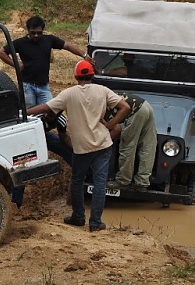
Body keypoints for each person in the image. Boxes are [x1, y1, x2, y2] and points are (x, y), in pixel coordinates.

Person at [26, 60, 130, 232]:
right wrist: (110, 125)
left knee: (77, 180)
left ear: (75, 76)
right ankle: (96, 222)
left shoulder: (69, 94)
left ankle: (78, 217)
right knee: (100, 183)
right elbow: (124, 107)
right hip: (103, 144)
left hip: (82, 147)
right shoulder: (102, 90)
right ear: (92, 75)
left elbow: (45, 107)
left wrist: (23, 111)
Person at [0, 15, 91, 107]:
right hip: (27, 86)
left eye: (39, 32)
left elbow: (67, 46)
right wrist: (16, 65)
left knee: (49, 111)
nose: (36, 35)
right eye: (33, 33)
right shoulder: (20, 43)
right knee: (30, 114)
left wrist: (84, 55)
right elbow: (1, 52)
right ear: (28, 30)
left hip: (44, 86)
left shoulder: (49, 40)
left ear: (43, 30)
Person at [106, 94, 156, 191]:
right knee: (147, 146)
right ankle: (142, 182)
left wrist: (103, 143)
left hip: (135, 111)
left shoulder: (98, 109)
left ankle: (123, 181)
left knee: (127, 146)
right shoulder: (103, 95)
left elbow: (116, 129)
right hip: (146, 105)